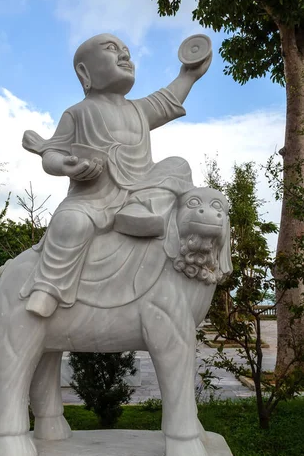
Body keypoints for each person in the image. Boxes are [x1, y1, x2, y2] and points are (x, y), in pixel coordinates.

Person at [21, 33, 211, 317]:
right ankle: (49, 287)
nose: (125, 56)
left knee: (178, 165)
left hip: (140, 193)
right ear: (84, 72)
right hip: (92, 197)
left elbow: (168, 100)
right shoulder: (78, 113)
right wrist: (67, 166)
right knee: (69, 223)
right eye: (112, 49)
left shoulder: (139, 109)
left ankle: (139, 212)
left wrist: (188, 74)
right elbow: (51, 154)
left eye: (127, 51)